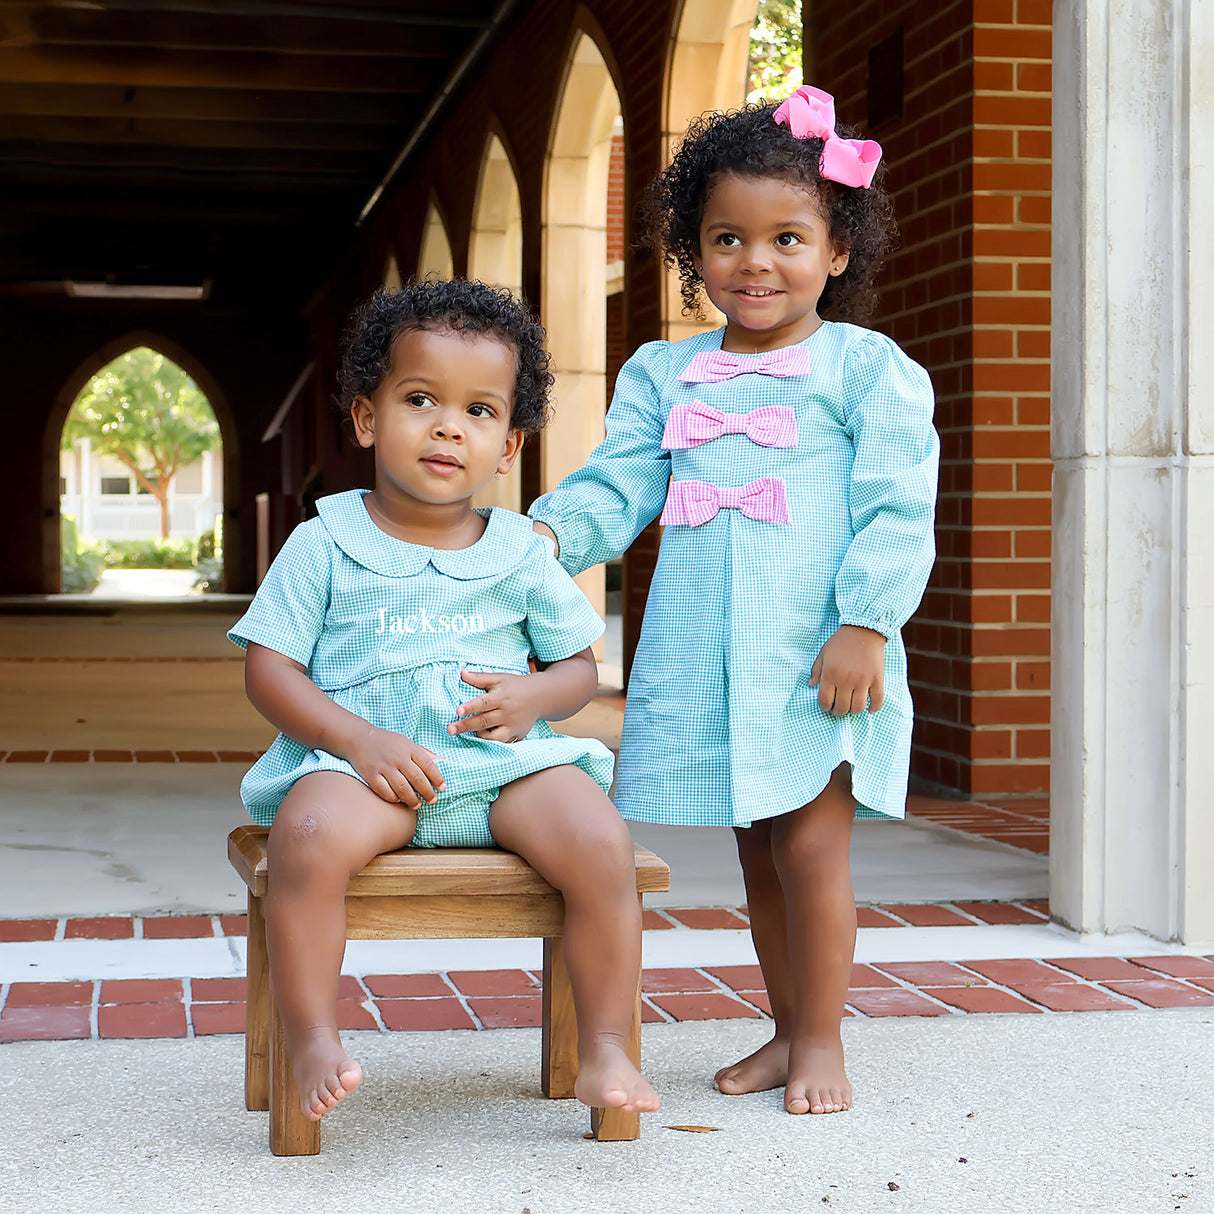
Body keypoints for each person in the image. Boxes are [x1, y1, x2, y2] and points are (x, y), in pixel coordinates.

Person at [529, 87, 939, 1116]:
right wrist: (544, 531)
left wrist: (865, 621)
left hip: (815, 655)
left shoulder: (862, 368)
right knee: (757, 852)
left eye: (787, 238)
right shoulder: (663, 373)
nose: (755, 262)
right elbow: (617, 481)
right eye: (726, 238)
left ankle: (821, 1040)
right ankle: (781, 1023)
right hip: (710, 656)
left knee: (810, 849)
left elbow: (895, 507)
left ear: (835, 251)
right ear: (692, 250)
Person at [229, 278, 660, 1123]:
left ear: (508, 446)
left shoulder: (522, 553)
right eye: (419, 399)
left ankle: (606, 1046)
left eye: (479, 410)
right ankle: (314, 1033)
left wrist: (536, 696)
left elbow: (580, 665)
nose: (447, 426)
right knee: (306, 837)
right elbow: (269, 671)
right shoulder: (323, 543)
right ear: (365, 418)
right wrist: (355, 741)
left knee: (601, 841)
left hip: (503, 771)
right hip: (365, 775)